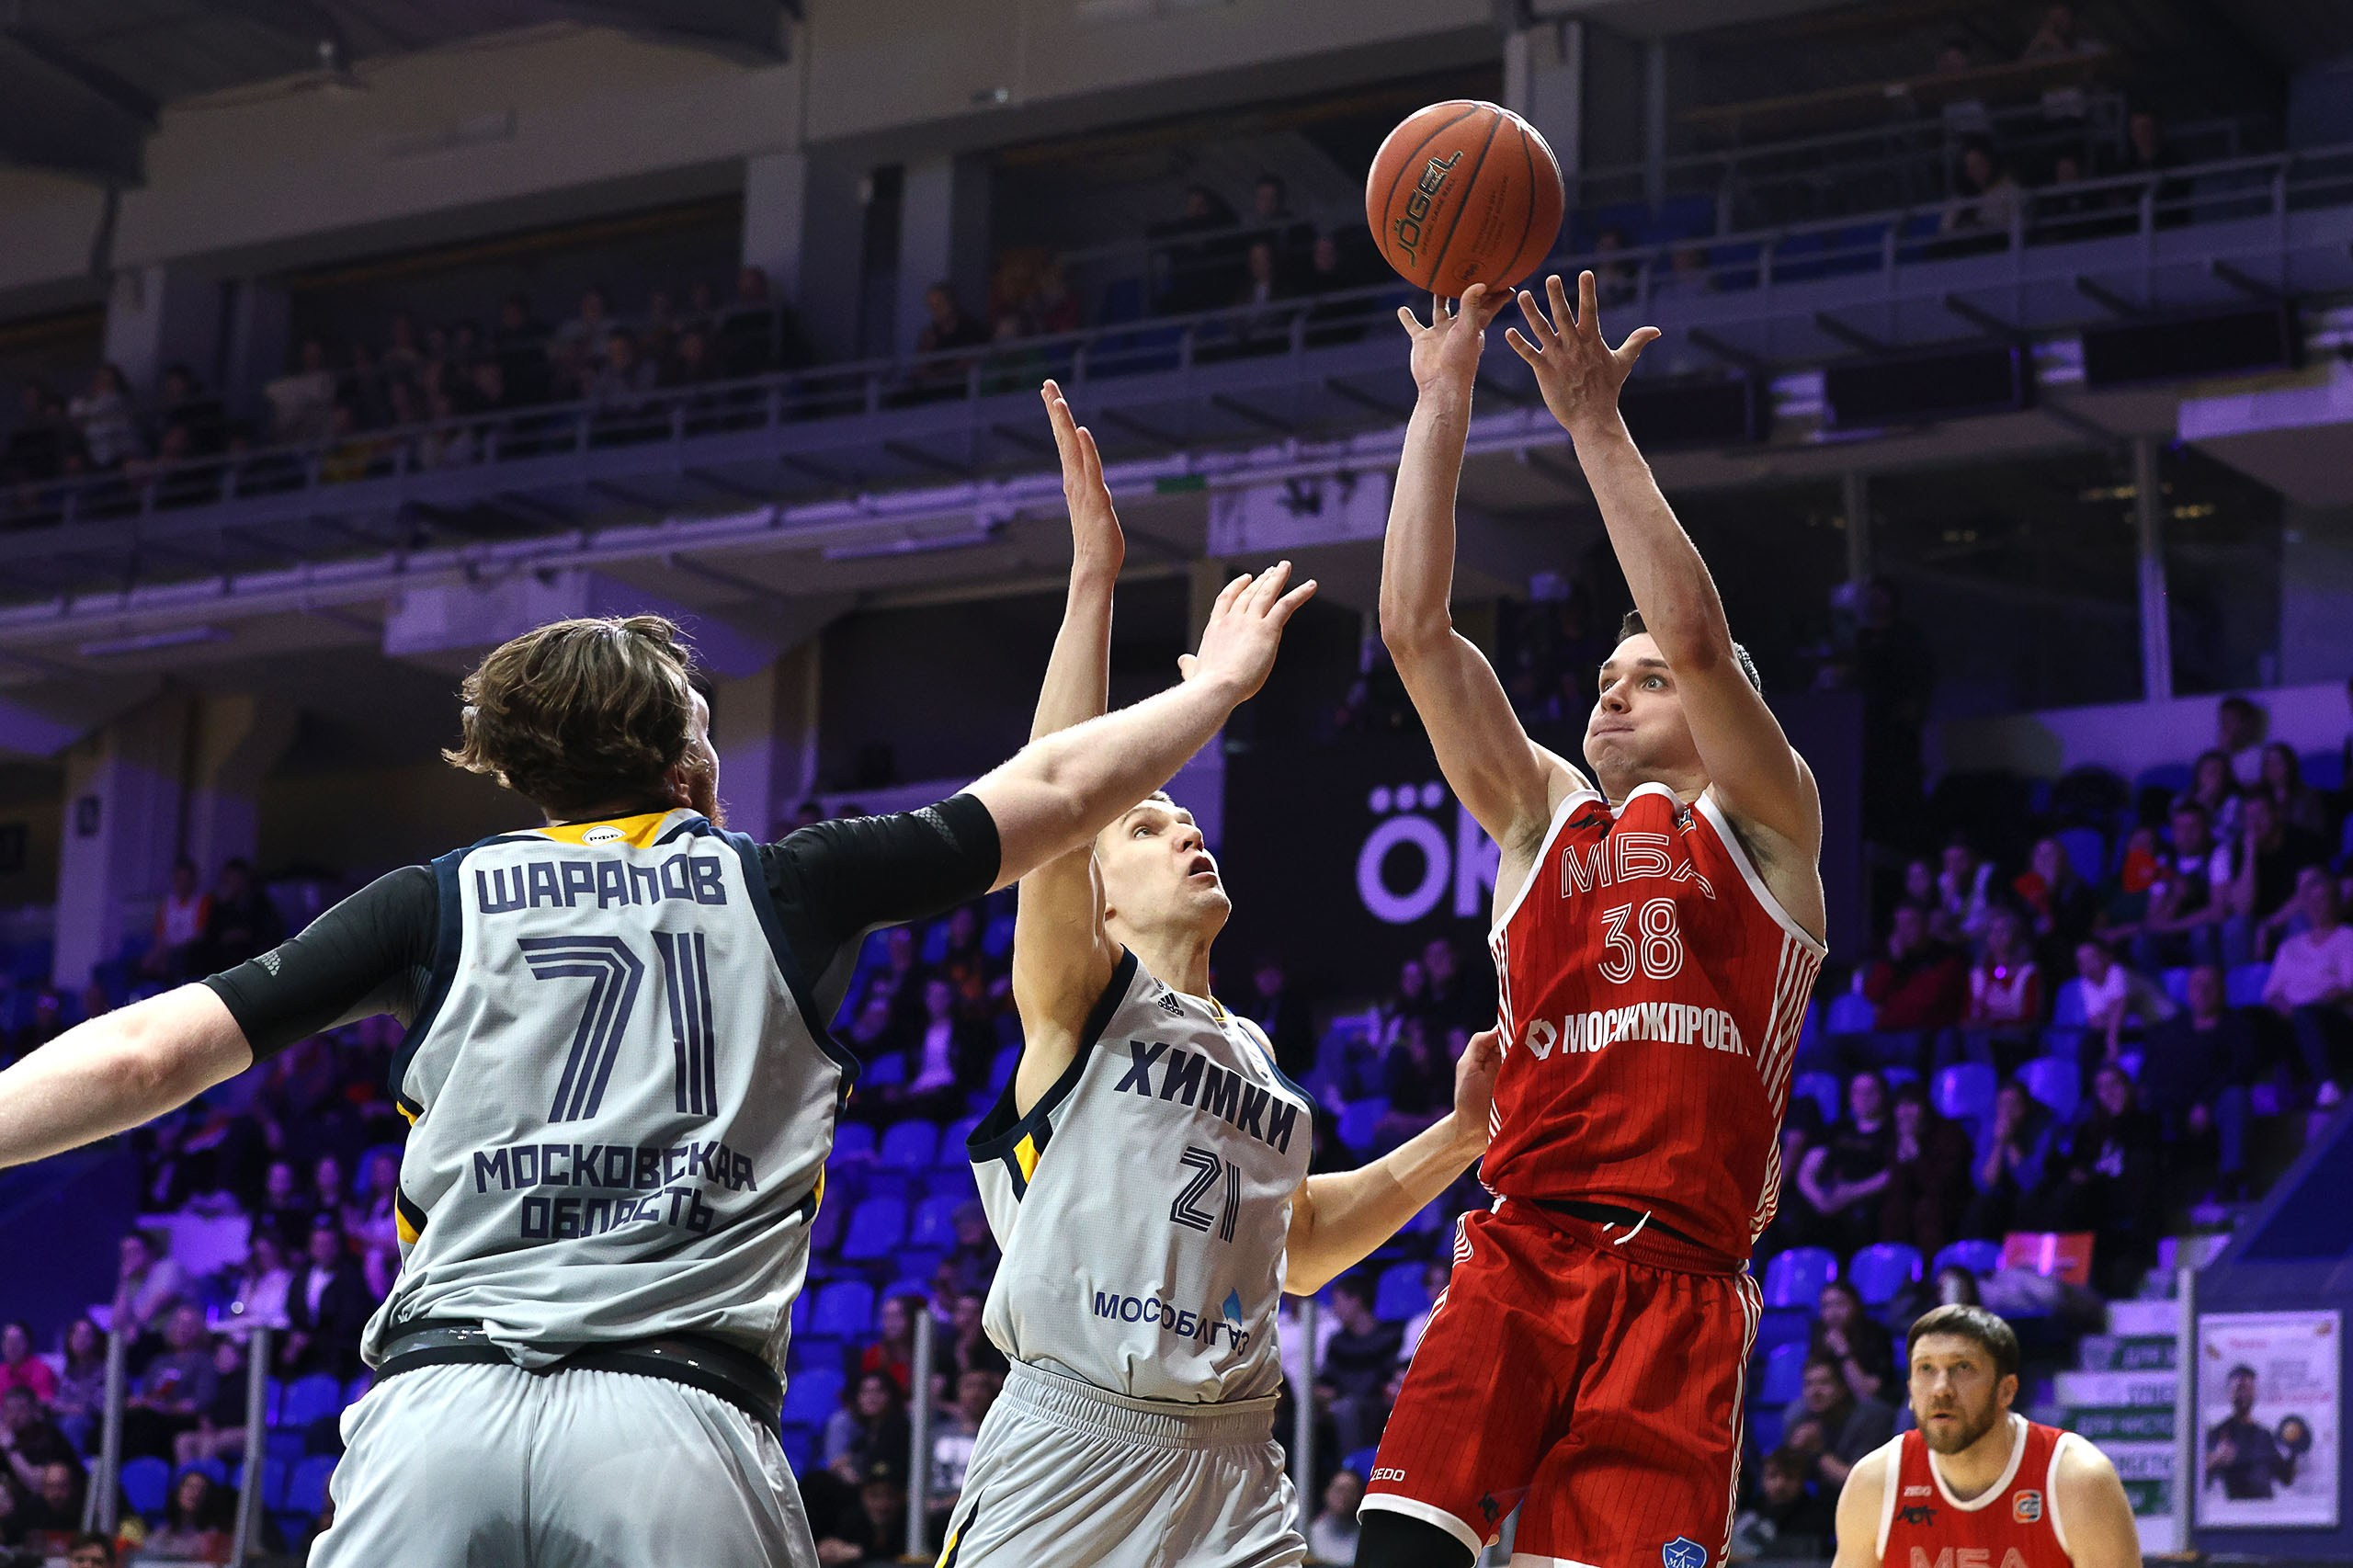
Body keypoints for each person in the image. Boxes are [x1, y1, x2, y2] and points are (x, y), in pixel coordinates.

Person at [0, 581, 1313, 1567]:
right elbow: (1062, 785)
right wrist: (1219, 688)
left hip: (433, 1413)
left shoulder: (435, 898)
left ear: (524, 768)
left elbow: (149, 1050)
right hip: (673, 1419)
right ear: (686, 754)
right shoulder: (790, 882)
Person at [937, 384, 1493, 1568]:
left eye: (1187, 818)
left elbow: (1295, 1244)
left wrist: (1458, 1137)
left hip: (1238, 1464)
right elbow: (1050, 796)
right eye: (1145, 826)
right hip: (1075, 1448)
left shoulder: (1257, 1061)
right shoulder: (1079, 1002)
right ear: (1096, 891)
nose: (1184, 830)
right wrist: (1095, 585)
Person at [1358, 272, 1827, 1568]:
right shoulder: (1538, 819)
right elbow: (1415, 629)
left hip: (1677, 1289)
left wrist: (1590, 423)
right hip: (1522, 1253)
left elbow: (1697, 628)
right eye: (1605, 679)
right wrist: (1442, 395)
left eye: (1648, 683)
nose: (1613, 697)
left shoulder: (1767, 827)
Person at [1836, 1305, 2140, 1568]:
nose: (1941, 1388)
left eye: (1962, 1367)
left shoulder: (2076, 1479)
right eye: (1925, 1368)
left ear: (2006, 1390)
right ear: (1911, 1392)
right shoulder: (1874, 1482)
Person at [2141, 965, 2258, 1199]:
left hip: (2213, 1106)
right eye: (2196, 986)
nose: (2203, 991)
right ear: (2188, 992)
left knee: (2235, 1097)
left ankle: (2231, 1178)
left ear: (2223, 990)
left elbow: (2241, 1070)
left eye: (2210, 985)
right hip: (2174, 1106)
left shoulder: (2238, 1027)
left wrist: (2204, 1103)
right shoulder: (2172, 1029)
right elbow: (2151, 1071)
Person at [2262, 867, 2353, 1102]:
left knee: (2306, 1015)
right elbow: (2272, 993)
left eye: (2323, 899)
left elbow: (2344, 989)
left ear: (2336, 903)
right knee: (2255, 1020)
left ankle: (2327, 1084)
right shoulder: (2289, 946)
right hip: (2291, 1017)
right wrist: (2285, 1008)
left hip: (2334, 1018)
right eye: (2311, 901)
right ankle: (2285, 1099)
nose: (2317, 906)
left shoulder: (2347, 938)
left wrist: (2305, 1008)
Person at [1798, 1072, 1894, 1256]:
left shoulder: (1891, 1131)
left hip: (1867, 1199)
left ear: (1883, 1094)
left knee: (1863, 1217)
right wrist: (1818, 1197)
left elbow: (1891, 1175)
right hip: (1827, 1198)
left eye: (1870, 1091)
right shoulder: (1837, 1129)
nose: (1863, 1098)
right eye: (1857, 1092)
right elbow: (1807, 1169)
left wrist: (1850, 1193)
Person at [1782, 1356, 1897, 1492]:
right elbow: (1782, 1483)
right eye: (1808, 1384)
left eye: (1824, 1383)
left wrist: (1818, 1452)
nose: (1815, 1392)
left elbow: (1858, 1483)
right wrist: (1792, 1454)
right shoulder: (1799, 1417)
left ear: (1843, 1387)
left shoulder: (1873, 1418)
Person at [279, 1215, 371, 1381]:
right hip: (304, 1353)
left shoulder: (351, 1277)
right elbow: (293, 1309)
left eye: (329, 1245)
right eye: (319, 1245)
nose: (324, 1250)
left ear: (337, 1246)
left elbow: (349, 1322)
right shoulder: (302, 1275)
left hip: (338, 1354)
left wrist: (311, 1339)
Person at [1729, 1446, 1836, 1561]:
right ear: (1762, 1478)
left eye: (1790, 1477)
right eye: (1772, 1475)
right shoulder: (1750, 1513)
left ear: (1802, 1481)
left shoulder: (1817, 1519)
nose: (1780, 1484)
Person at [2206, 1363, 2294, 1500]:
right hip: (2233, 1513)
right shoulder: (2218, 1433)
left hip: (2265, 1513)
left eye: (2248, 1388)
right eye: (2239, 1389)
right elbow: (2200, 1481)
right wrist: (2216, 1458)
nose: (2243, 1394)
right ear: (2230, 1393)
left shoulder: (2265, 1434)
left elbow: (2286, 1479)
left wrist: (2294, 1450)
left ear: (2254, 1392)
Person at [145, 1466, 233, 1562]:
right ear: (179, 1491)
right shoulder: (162, 1532)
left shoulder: (212, 1538)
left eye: (202, 1489)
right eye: (189, 1486)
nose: (195, 1493)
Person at [1309, 1468, 1363, 1565]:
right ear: (1327, 1492)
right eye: (1339, 1489)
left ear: (1359, 1496)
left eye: (1350, 1491)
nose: (1343, 1496)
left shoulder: (1365, 1538)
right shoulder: (1308, 1534)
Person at [0, 1323, 53, 1404]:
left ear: (27, 1344)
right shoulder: (1, 1372)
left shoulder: (41, 1370)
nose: (12, 1346)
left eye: (17, 1341)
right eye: (8, 1341)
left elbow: (45, 1403)